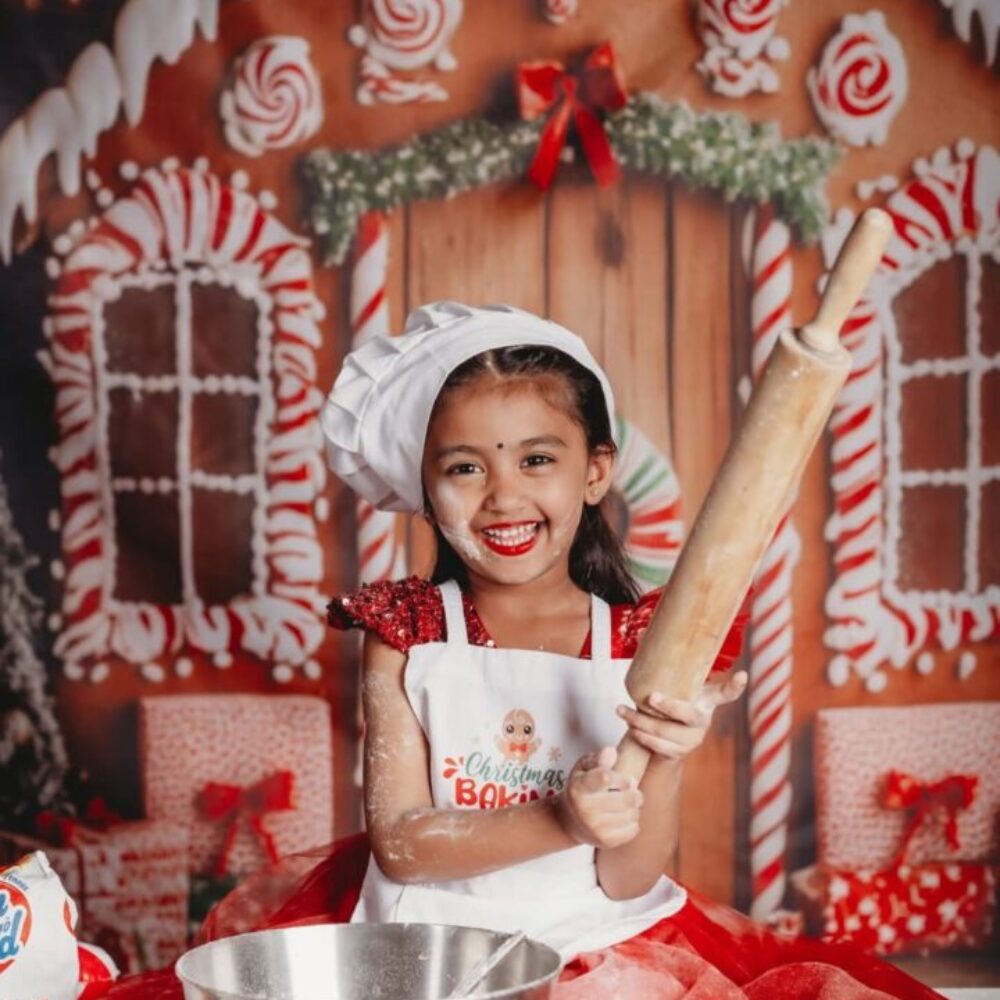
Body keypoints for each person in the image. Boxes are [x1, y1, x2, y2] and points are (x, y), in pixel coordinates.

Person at [101, 303, 941, 998]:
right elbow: (403, 844)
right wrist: (561, 816)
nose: (504, 494)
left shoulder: (638, 644)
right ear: (426, 488)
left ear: (595, 472)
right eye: (465, 468)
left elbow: (624, 876)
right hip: (423, 960)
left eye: (538, 458)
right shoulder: (409, 631)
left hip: (600, 955)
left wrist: (666, 754)